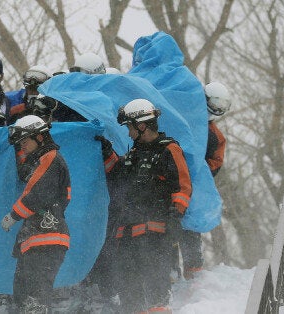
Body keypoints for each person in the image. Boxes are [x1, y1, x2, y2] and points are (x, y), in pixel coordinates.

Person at [97, 99, 192, 313]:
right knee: (129, 291)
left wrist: (175, 214)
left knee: (156, 289)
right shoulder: (133, 155)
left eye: (130, 128)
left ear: (141, 125)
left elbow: (183, 186)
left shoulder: (169, 150)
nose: (129, 134)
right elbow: (117, 174)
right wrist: (106, 152)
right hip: (127, 234)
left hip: (155, 235)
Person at [0, 115, 71, 312]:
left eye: (25, 141)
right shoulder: (40, 161)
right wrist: (16, 149)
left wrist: (13, 216)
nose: (22, 146)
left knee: (35, 297)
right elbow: (26, 173)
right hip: (36, 238)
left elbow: (37, 193)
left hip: (47, 237)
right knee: (24, 295)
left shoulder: (51, 158)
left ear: (40, 138)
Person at [173, 82, 231, 281]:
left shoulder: (214, 135)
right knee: (168, 228)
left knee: (190, 228)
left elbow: (216, 162)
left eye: (221, 104)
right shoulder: (181, 119)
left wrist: (199, 170)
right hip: (171, 180)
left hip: (194, 186)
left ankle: (194, 272)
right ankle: (171, 272)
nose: (217, 108)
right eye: (215, 102)